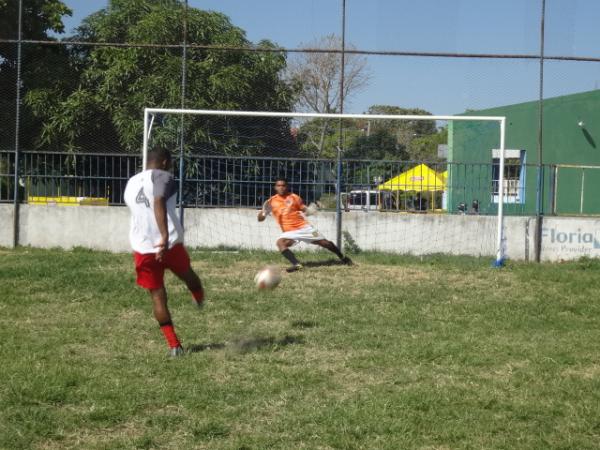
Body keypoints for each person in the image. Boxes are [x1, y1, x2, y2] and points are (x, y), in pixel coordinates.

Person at [124, 147, 204, 357]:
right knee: (188, 275)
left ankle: (174, 346)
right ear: (165, 161)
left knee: (158, 297)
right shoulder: (164, 176)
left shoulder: (131, 182)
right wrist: (164, 236)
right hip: (167, 243)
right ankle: (198, 297)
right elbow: (158, 200)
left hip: (143, 248)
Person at [258, 178, 352, 272]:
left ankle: (342, 257)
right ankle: (297, 264)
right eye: (278, 186)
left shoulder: (294, 197)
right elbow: (260, 219)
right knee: (280, 243)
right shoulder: (271, 201)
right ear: (275, 187)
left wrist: (310, 210)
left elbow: (304, 209)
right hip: (289, 232)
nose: (281, 187)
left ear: (287, 187)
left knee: (325, 243)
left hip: (305, 228)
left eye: (283, 185)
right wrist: (264, 213)